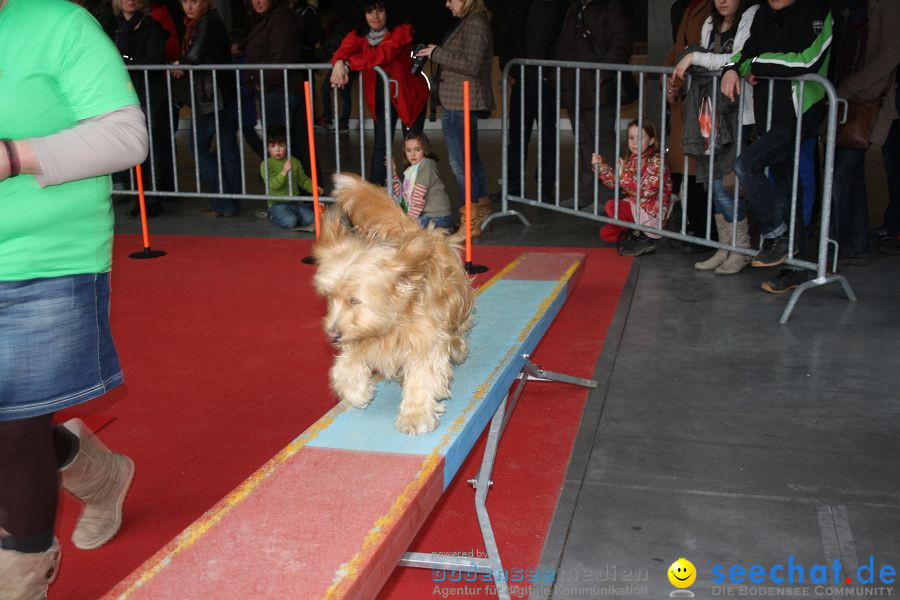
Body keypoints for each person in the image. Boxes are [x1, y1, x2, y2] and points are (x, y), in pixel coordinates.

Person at [0, 0, 147, 596]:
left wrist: (14, 156)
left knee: (10, 424)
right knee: (13, 422)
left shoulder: (58, 23)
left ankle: (21, 578)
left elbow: (125, 135)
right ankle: (99, 473)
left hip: (45, 258)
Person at [723, 0, 833, 294]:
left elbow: (807, 61)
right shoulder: (762, 15)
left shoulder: (819, 11)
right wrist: (735, 67)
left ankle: (776, 236)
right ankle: (795, 265)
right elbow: (744, 53)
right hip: (768, 113)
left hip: (799, 113)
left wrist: (757, 63)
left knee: (747, 165)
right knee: (786, 186)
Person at [672, 0, 760, 275]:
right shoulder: (710, 23)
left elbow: (738, 59)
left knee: (726, 185)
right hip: (709, 114)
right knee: (712, 183)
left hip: (737, 116)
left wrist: (694, 57)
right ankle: (726, 246)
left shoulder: (751, 17)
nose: (722, 1)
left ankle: (741, 248)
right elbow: (708, 67)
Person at [414, 0, 494, 236]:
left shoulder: (476, 23)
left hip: (461, 102)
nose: (447, 4)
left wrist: (436, 53)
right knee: (471, 161)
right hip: (458, 101)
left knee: (461, 165)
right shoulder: (470, 22)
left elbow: (472, 64)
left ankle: (470, 220)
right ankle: (481, 211)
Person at [829, 0, 900, 263]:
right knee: (851, 171)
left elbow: (891, 54)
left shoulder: (888, 5)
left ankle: (833, 246)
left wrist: (848, 87)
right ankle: (855, 244)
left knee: (842, 174)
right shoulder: (846, 5)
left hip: (873, 100)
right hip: (848, 100)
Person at [330, 0, 428, 186]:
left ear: (388, 12)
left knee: (413, 148)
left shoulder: (402, 31)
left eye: (380, 10)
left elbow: (383, 54)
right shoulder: (360, 35)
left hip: (409, 97)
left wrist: (349, 64)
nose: (375, 16)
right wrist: (338, 62)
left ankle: (413, 197)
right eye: (369, 12)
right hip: (381, 99)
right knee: (381, 146)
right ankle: (377, 194)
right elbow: (342, 50)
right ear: (363, 15)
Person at [555, 0, 634, 212]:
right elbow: (564, 45)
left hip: (601, 89)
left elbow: (621, 42)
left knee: (603, 143)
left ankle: (606, 197)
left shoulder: (610, 6)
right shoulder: (574, 8)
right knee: (584, 143)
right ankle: (585, 193)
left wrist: (603, 73)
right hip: (575, 87)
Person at [106, 0, 172, 219]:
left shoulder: (150, 26)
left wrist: (124, 60)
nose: (130, 0)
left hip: (149, 95)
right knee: (134, 148)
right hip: (125, 94)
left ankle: (154, 198)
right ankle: (142, 198)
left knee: (152, 148)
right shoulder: (112, 27)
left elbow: (154, 60)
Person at [175, 0, 241, 217]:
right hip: (220, 93)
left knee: (199, 147)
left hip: (211, 97)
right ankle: (229, 203)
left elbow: (194, 56)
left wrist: (180, 63)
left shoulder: (206, 22)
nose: (189, 6)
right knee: (227, 150)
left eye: (194, 1)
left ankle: (223, 199)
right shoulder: (207, 21)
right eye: (185, 2)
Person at [497, 0, 567, 201]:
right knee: (517, 138)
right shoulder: (519, 7)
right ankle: (513, 187)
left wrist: (551, 74)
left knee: (547, 139)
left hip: (546, 83)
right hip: (522, 79)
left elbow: (562, 42)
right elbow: (507, 36)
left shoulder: (558, 7)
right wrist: (507, 67)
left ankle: (545, 189)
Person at [244, 0, 315, 179]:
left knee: (280, 147)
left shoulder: (279, 20)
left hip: (278, 89)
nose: (257, 1)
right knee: (293, 145)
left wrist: (258, 79)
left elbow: (282, 58)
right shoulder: (270, 19)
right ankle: (304, 197)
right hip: (279, 88)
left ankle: (288, 199)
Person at [665, 0, 713, 253]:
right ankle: (694, 228)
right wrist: (670, 79)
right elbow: (677, 49)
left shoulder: (712, 7)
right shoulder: (687, 8)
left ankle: (706, 232)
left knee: (699, 166)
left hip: (703, 98)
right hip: (684, 97)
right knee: (685, 166)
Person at [592, 119, 673, 256]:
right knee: (606, 233)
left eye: (640, 138)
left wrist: (623, 175)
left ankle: (647, 235)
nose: (634, 142)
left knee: (612, 206)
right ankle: (637, 232)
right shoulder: (632, 159)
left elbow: (647, 190)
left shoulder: (657, 162)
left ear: (652, 141)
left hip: (652, 213)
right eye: (631, 138)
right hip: (636, 206)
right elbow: (616, 183)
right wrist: (601, 168)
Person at [255, 125, 324, 231]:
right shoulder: (266, 164)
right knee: (291, 221)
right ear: (268, 148)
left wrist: (314, 188)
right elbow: (272, 185)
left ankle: (297, 215)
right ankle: (271, 215)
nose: (277, 149)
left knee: (313, 219)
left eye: (281, 145)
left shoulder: (294, 161)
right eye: (273, 146)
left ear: (287, 146)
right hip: (277, 204)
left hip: (295, 201)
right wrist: (283, 172)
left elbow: (303, 180)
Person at [391, 132, 454, 230]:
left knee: (403, 231)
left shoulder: (426, 164)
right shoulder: (411, 170)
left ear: (425, 150)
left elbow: (418, 196)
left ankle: (443, 230)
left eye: (417, 150)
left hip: (437, 216)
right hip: (426, 215)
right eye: (408, 150)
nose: (412, 154)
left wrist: (409, 221)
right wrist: (393, 173)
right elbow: (402, 196)